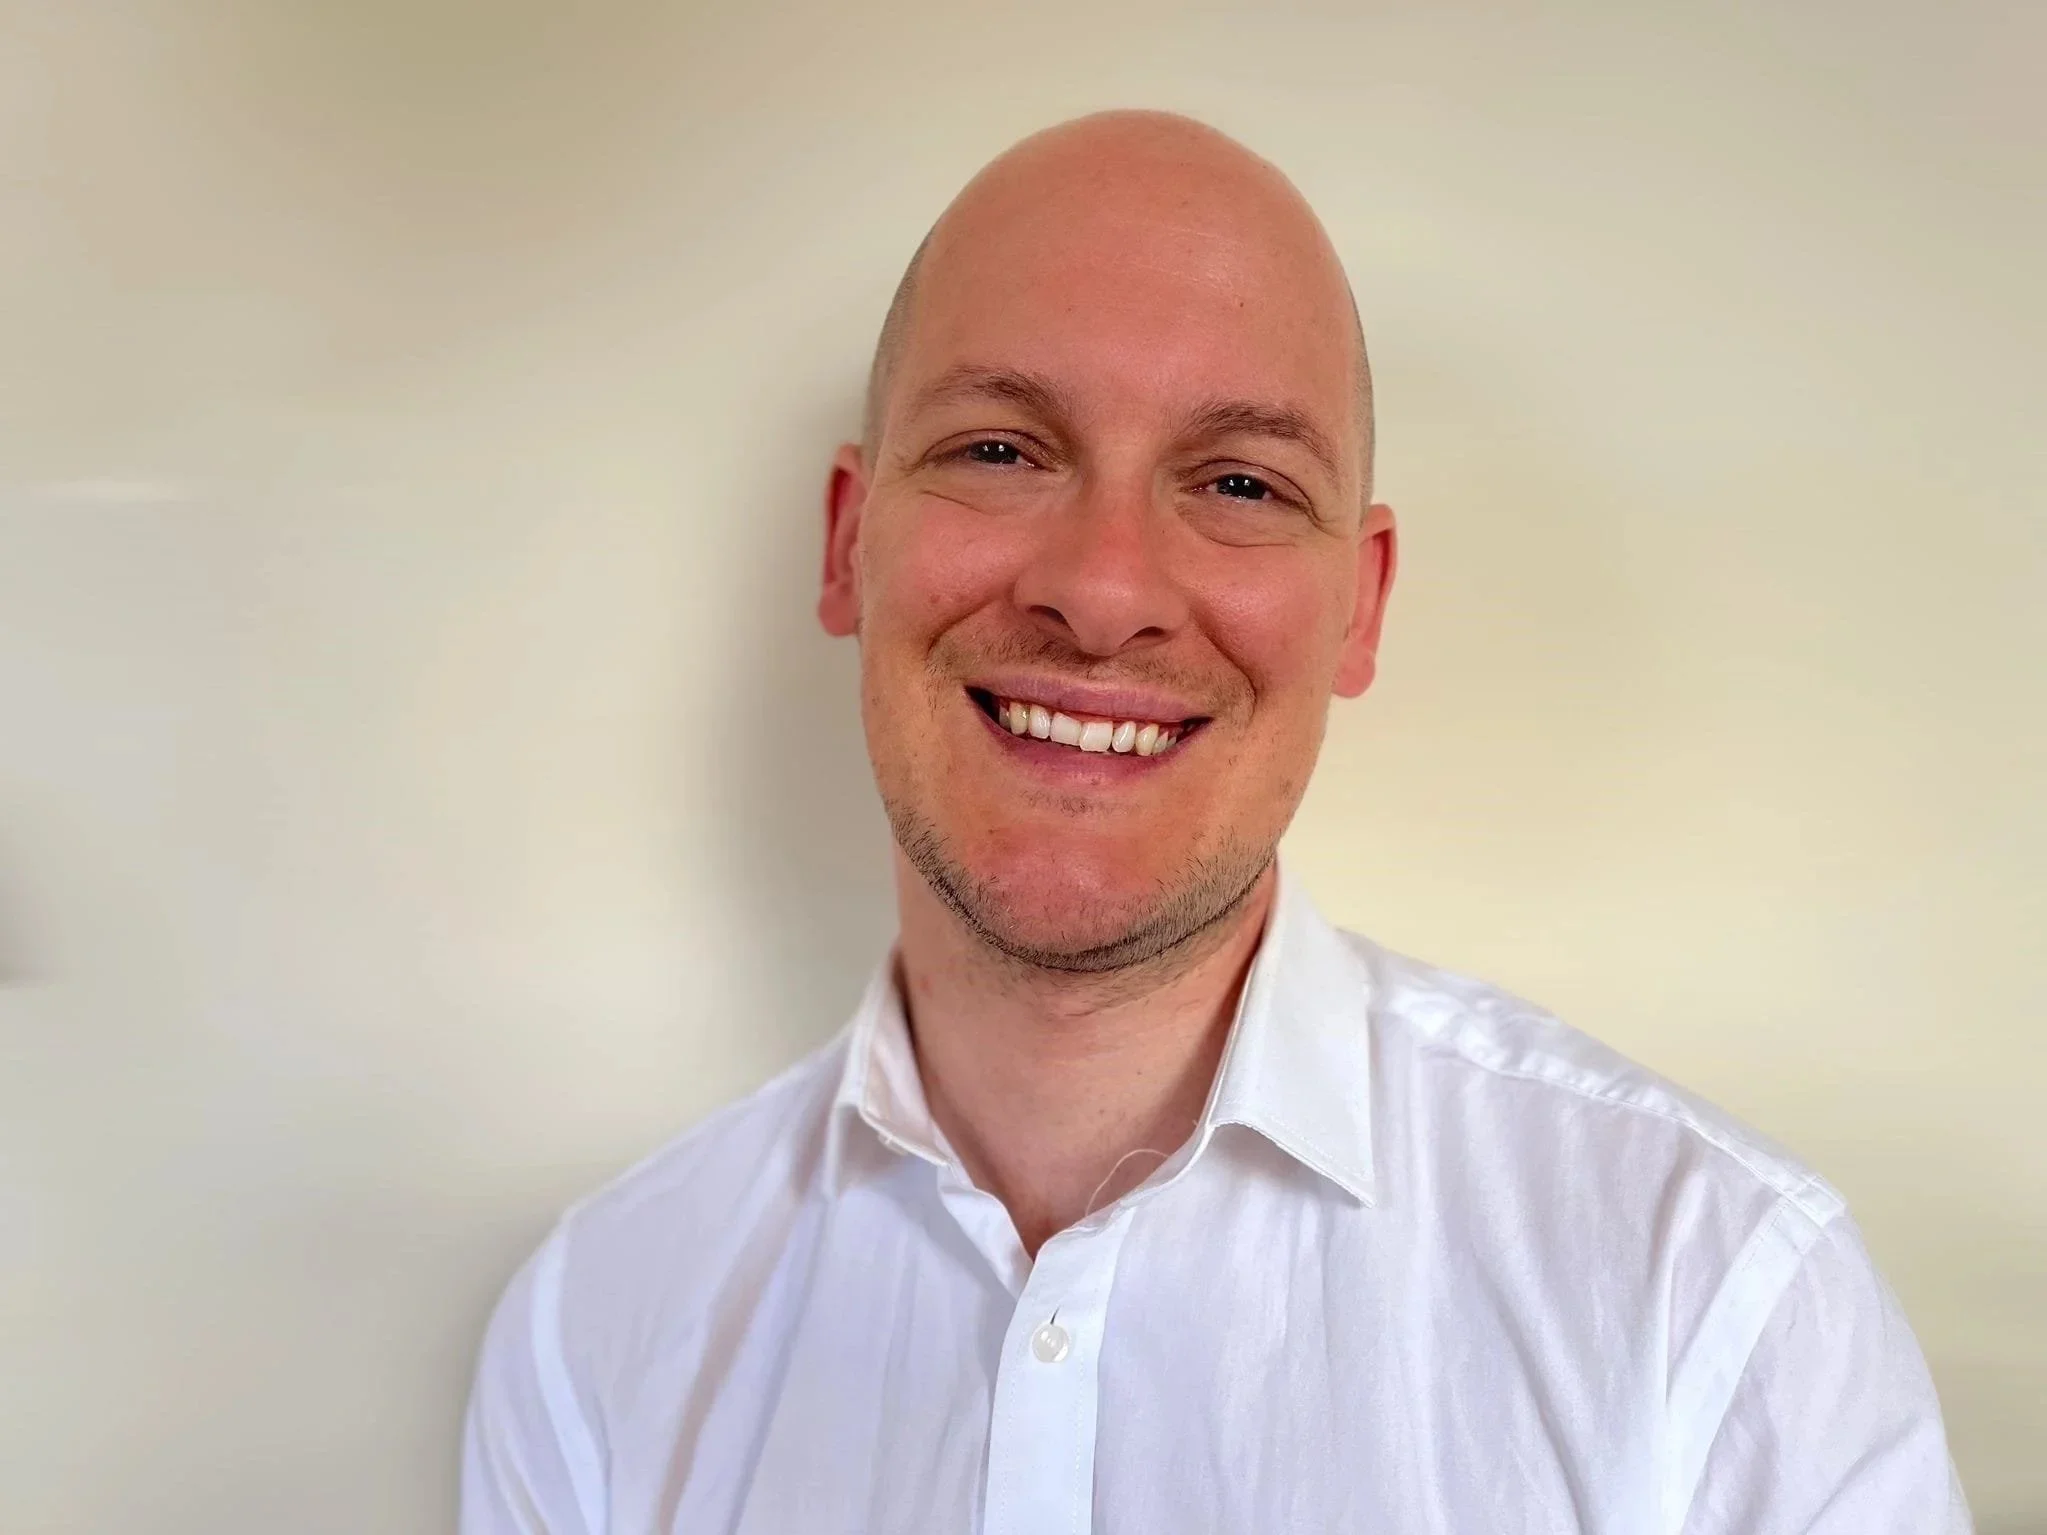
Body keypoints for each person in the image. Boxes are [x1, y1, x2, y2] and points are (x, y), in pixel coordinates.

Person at [459, 110, 1969, 1533]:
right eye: (1000, 449)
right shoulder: (595, 1335)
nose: (1102, 589)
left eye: (1239, 482)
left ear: (1359, 607)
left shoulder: (1718, 1309)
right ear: (850, 540)